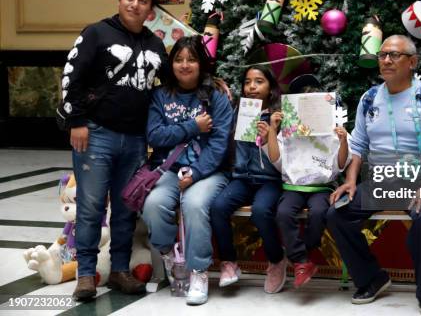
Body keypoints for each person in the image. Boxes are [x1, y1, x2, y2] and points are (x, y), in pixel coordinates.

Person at [58, 0, 169, 301]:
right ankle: (86, 276)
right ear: (120, 0)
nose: (135, 5)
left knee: (125, 209)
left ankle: (120, 270)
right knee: (90, 208)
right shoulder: (96, 33)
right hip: (96, 135)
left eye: (143, 1)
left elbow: (166, 84)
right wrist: (76, 121)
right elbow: (70, 77)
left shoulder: (155, 44)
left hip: (135, 140)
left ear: (151, 10)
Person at [326, 35, 421, 316]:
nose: (386, 60)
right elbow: (358, 145)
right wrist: (350, 180)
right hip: (383, 181)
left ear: (412, 62)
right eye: (382, 55)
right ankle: (372, 277)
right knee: (337, 213)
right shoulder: (369, 98)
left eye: (394, 55)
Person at [142, 35, 233, 306]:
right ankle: (170, 254)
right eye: (179, 60)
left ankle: (198, 272)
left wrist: (196, 173)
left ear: (201, 64)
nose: (184, 65)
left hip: (209, 171)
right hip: (169, 169)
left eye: (191, 59)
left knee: (194, 205)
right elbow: (154, 136)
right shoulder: (159, 96)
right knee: (153, 205)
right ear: (171, 65)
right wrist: (193, 127)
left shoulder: (216, 97)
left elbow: (219, 145)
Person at [265, 75, 351, 288]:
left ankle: (300, 254)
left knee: (320, 212)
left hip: (321, 186)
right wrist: (273, 130)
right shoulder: (287, 131)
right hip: (293, 185)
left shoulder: (333, 128)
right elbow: (276, 160)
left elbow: (341, 164)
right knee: (284, 213)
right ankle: (301, 261)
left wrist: (342, 141)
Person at [210, 65, 287, 294]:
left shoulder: (280, 115)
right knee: (218, 207)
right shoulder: (238, 111)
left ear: (270, 87)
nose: (252, 87)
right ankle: (229, 263)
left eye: (259, 81)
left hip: (271, 179)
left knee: (261, 211)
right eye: (247, 82)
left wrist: (269, 136)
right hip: (243, 177)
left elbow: (287, 158)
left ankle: (276, 259)